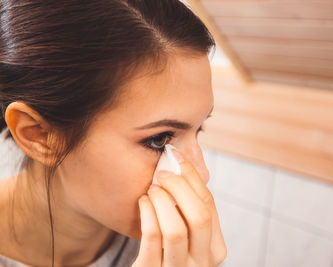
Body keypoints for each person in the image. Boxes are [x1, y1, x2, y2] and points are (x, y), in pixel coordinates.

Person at [0, 0, 227, 266]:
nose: (201, 174)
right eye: (159, 139)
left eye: (198, 129)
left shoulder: (174, 250)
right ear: (39, 135)